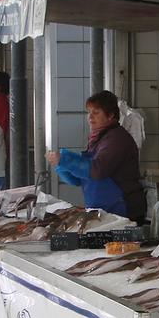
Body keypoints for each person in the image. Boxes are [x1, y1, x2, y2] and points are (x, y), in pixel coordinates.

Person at [45, 90, 145, 221]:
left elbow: (98, 170)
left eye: (96, 113)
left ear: (110, 115)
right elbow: (79, 179)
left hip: (122, 210)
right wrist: (61, 165)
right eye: (89, 112)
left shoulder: (117, 138)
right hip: (103, 210)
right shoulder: (99, 139)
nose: (90, 117)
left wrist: (66, 160)